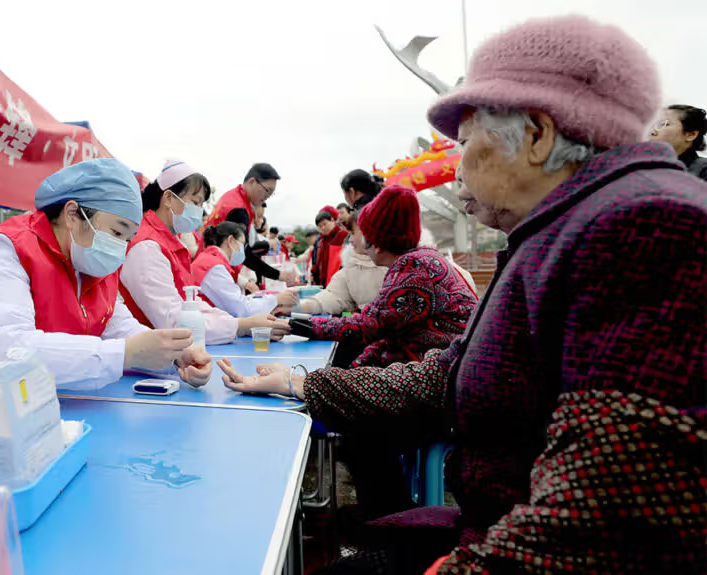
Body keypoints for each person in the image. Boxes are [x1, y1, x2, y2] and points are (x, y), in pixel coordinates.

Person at [222, 16, 707, 573]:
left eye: (467, 140)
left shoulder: (645, 226)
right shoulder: (560, 230)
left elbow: (609, 516)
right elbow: (446, 374)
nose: (460, 163)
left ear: (536, 135)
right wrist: (300, 382)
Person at [0, 159, 212, 416]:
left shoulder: (94, 262)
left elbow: (118, 327)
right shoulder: (3, 249)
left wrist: (172, 355)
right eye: (117, 231)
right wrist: (124, 354)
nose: (120, 247)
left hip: (39, 413)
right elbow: (12, 351)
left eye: (127, 238)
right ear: (72, 214)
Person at [288, 187, 477, 367]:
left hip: (442, 374)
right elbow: (383, 329)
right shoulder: (421, 259)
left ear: (376, 242)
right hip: (442, 363)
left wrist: (292, 324)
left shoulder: (413, 270)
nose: (352, 241)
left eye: (358, 234)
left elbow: (367, 327)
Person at [120, 160, 282, 343]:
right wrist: (241, 326)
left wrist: (241, 324)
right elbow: (173, 322)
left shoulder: (167, 242)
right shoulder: (146, 246)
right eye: (195, 202)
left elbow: (190, 305)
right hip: (150, 357)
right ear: (168, 198)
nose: (199, 211)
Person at [202, 163, 297, 285]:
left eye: (271, 193)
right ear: (252, 181)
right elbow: (244, 254)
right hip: (215, 272)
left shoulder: (233, 196)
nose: (267, 197)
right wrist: (279, 275)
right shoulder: (238, 209)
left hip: (209, 266)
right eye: (267, 191)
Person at [192, 222, 299, 318]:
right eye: (242, 244)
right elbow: (240, 309)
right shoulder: (214, 267)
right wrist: (276, 299)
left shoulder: (210, 259)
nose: (243, 250)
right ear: (230, 241)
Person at [295, 209, 387, 316]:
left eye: (353, 233)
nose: (350, 240)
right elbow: (335, 295)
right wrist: (299, 307)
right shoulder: (352, 264)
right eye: (320, 226)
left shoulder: (398, 265)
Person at [649, 104, 707, 181]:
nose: (653, 131)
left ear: (691, 135)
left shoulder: (703, 170)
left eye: (663, 124)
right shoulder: (640, 167)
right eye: (652, 125)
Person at [311, 206, 348, 287]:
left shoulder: (343, 236)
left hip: (339, 283)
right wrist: (313, 273)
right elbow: (318, 261)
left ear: (332, 220)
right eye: (320, 226)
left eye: (325, 224)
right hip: (323, 284)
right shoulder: (321, 241)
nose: (323, 228)